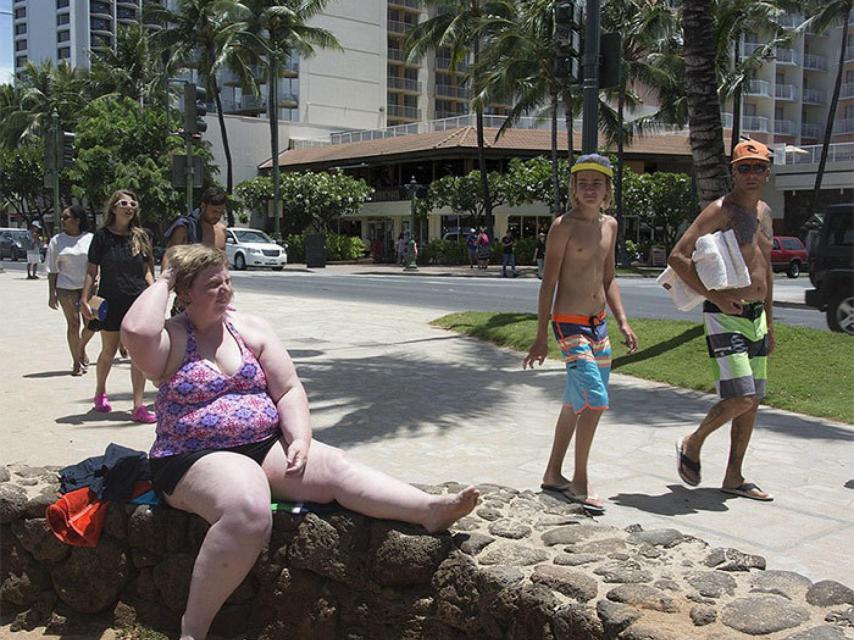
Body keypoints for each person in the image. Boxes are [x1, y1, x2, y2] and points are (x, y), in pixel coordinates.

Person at [120, 245, 480, 640]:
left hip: (262, 445)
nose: (225, 290)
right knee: (247, 506)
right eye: (212, 285)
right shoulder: (170, 338)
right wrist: (168, 275)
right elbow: (135, 330)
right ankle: (193, 630)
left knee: (335, 466)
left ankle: (427, 510)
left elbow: (288, 389)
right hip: (190, 456)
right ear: (186, 292)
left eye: (227, 281)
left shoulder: (250, 328)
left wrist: (300, 439)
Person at [522, 154, 638, 513]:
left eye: (596, 183)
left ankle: (552, 474)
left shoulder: (610, 225)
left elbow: (609, 277)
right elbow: (548, 283)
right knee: (596, 400)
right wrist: (541, 335)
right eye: (583, 183)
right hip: (569, 323)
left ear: (607, 189)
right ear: (574, 188)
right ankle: (579, 481)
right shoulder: (563, 226)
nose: (590, 189)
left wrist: (622, 320)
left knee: (575, 402)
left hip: (598, 323)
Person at [667, 140, 776, 502]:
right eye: (744, 167)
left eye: (758, 167)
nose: (751, 174)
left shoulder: (765, 212)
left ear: (767, 173)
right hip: (725, 316)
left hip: (756, 317)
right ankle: (692, 441)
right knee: (741, 397)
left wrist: (770, 323)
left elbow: (767, 269)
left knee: (752, 401)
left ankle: (734, 477)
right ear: (733, 172)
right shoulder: (720, 210)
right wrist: (715, 297)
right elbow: (678, 256)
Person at [81, 190, 157, 423]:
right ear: (113, 208)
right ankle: (100, 392)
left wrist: (155, 293)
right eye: (123, 203)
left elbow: (147, 270)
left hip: (137, 301)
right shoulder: (102, 236)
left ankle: (138, 406)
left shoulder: (142, 236)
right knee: (109, 350)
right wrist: (84, 298)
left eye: (133, 203)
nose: (129, 206)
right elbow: (92, 270)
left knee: (137, 354)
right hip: (111, 300)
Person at [47, 205, 96, 376]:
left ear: (77, 220)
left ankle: (81, 348)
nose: (62, 220)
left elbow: (96, 263)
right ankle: (76, 361)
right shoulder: (57, 241)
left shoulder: (90, 239)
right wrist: (51, 294)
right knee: (73, 324)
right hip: (65, 288)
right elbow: (52, 269)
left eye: (66, 217)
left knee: (91, 324)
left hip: (88, 287)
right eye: (62, 217)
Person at [163, 187, 227, 316]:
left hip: (213, 297)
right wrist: (164, 288)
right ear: (203, 206)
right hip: (187, 296)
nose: (217, 216)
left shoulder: (221, 231)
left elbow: (222, 264)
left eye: (220, 212)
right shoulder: (185, 227)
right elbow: (170, 255)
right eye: (214, 211)